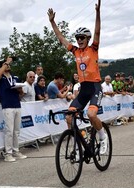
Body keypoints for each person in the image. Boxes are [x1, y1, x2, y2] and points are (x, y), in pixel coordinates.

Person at [48, 0, 109, 154]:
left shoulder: (93, 49)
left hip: (95, 87)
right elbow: (61, 39)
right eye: (77, 38)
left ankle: (103, 138)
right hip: (83, 89)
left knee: (91, 114)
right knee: (69, 117)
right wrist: (52, 22)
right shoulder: (75, 51)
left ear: (87, 39)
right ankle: (76, 143)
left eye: (82, 37)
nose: (79, 40)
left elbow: (97, 32)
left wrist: (98, 13)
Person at [0, 57, 27, 162]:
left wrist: (20, 90)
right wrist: (6, 62)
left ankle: (16, 150)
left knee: (16, 131)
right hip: (7, 106)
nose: (8, 66)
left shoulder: (15, 77)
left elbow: (21, 93)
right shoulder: (0, 78)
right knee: (9, 130)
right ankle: (8, 153)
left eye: (8, 64)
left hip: (17, 104)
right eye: (6, 65)